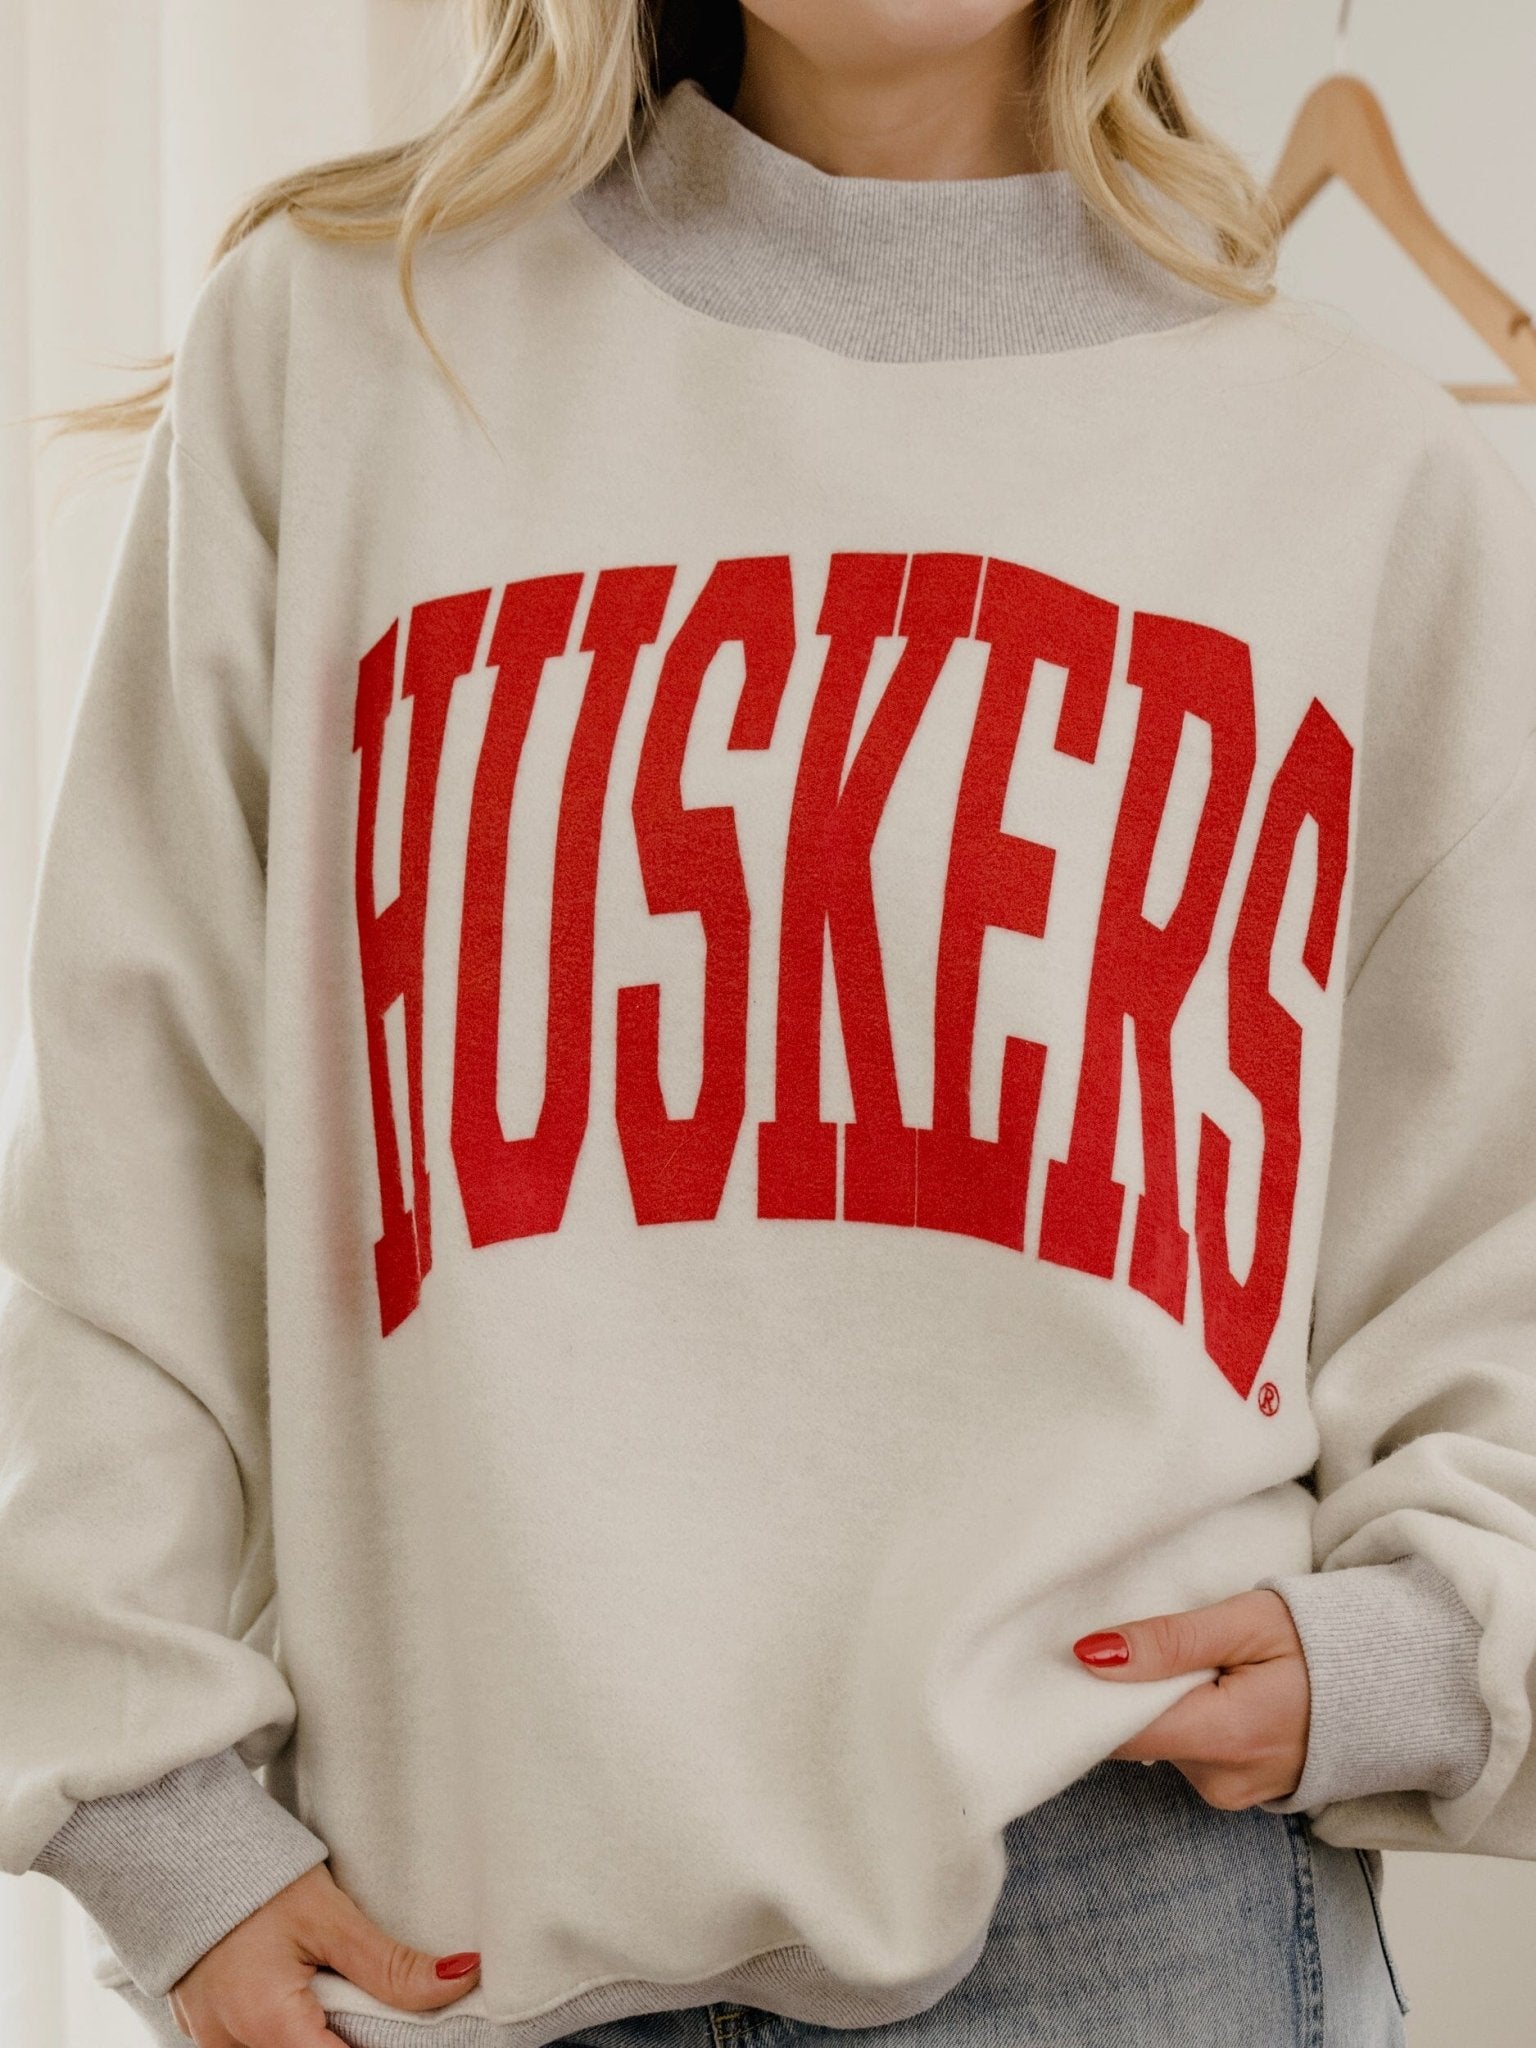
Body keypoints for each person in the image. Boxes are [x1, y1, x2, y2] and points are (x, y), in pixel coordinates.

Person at [3, 0, 1533, 2043]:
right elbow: (140, 1135)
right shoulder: (343, 345)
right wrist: (150, 1807)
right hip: (448, 1929)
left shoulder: (1357, 468)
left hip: (1131, 1885)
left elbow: (1491, 1218)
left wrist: (1432, 1645)